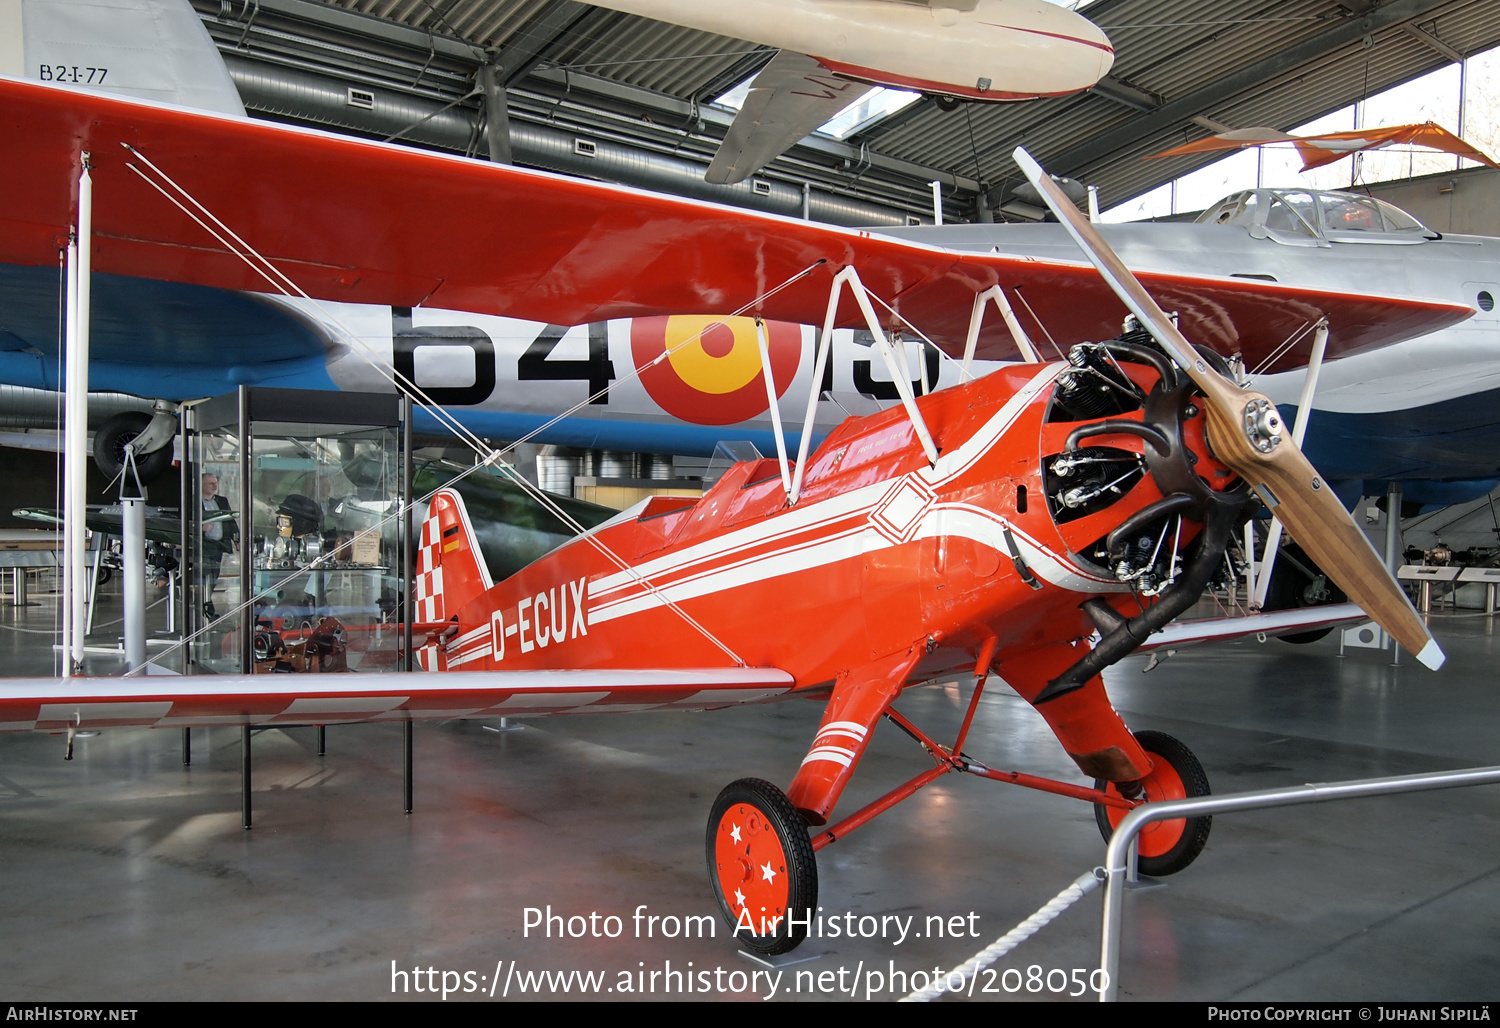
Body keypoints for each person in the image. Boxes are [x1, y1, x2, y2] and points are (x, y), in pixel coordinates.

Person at [200, 473, 239, 619]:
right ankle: (205, 608)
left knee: (213, 577)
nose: (214, 486)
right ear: (202, 484)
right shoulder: (193, 500)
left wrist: (237, 539)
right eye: (210, 483)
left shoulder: (222, 501)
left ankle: (206, 604)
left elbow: (230, 521)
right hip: (202, 545)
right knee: (204, 577)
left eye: (215, 483)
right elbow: (185, 520)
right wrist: (200, 528)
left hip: (218, 545)